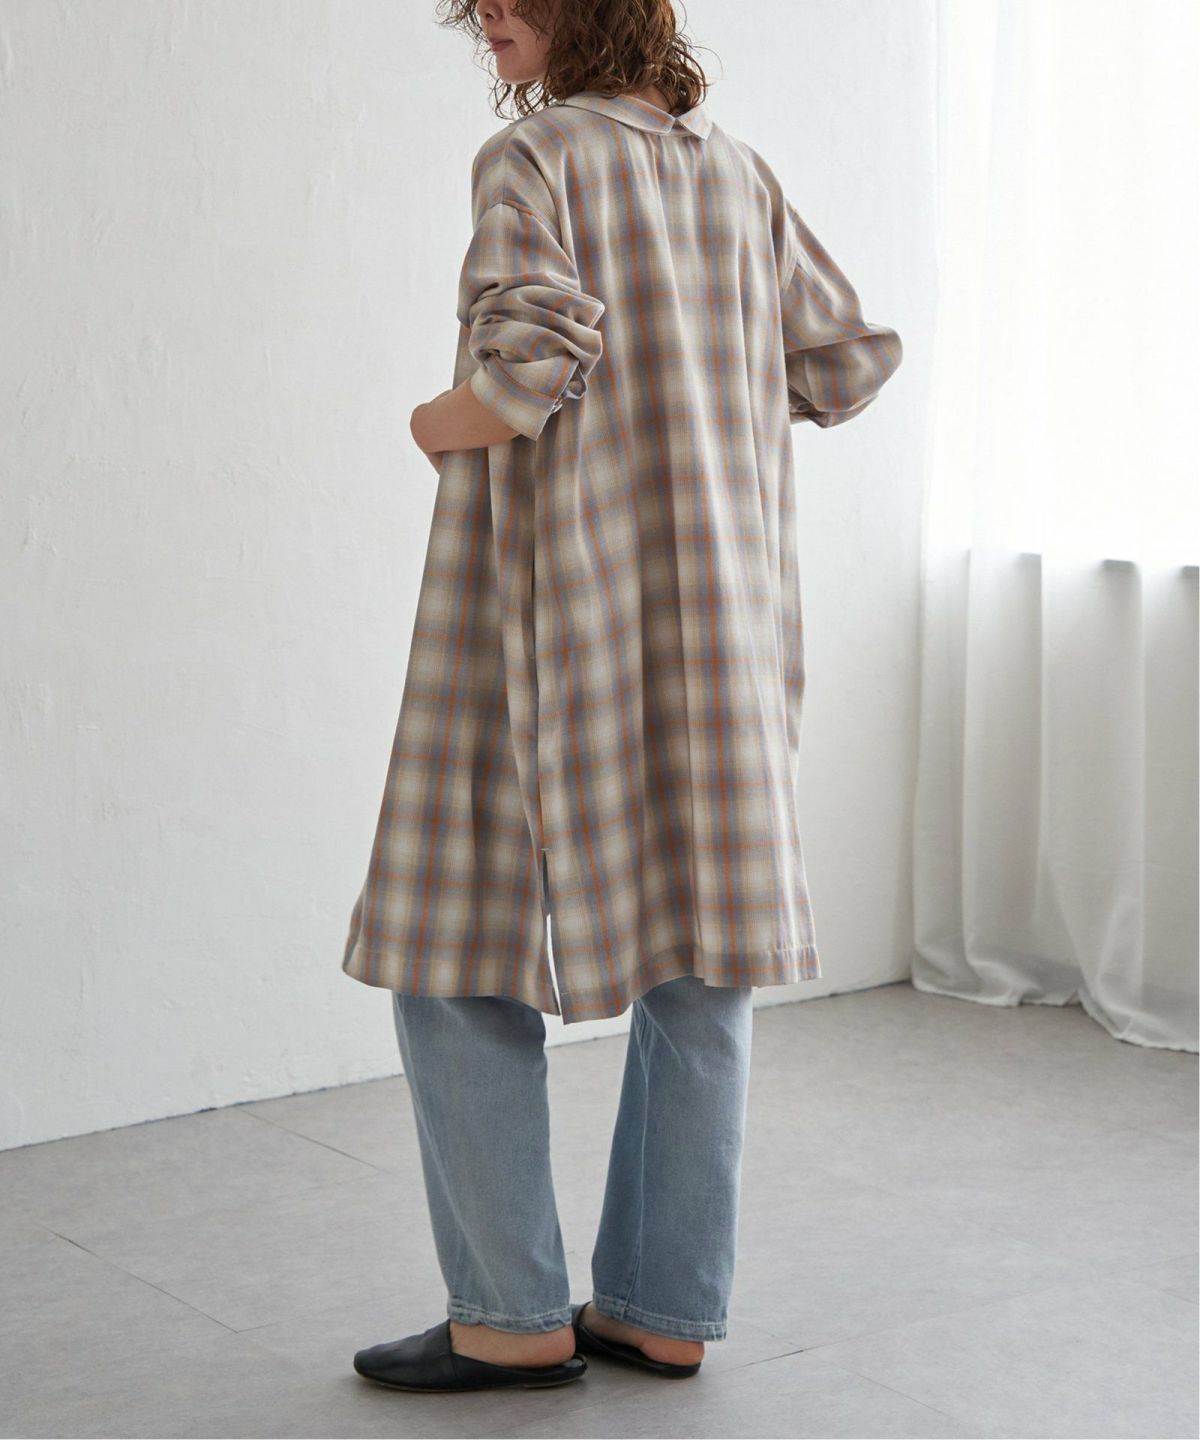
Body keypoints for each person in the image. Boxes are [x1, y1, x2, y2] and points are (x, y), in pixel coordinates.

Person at [347, 0, 903, 1395]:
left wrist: (429, 420)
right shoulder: (739, 173)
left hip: (546, 606)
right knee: (705, 952)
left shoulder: (536, 158)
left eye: (511, 1)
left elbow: (526, 372)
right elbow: (841, 362)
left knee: (451, 940)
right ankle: (662, 1307)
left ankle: (510, 1316)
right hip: (719, 621)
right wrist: (702, 391)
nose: (487, 21)